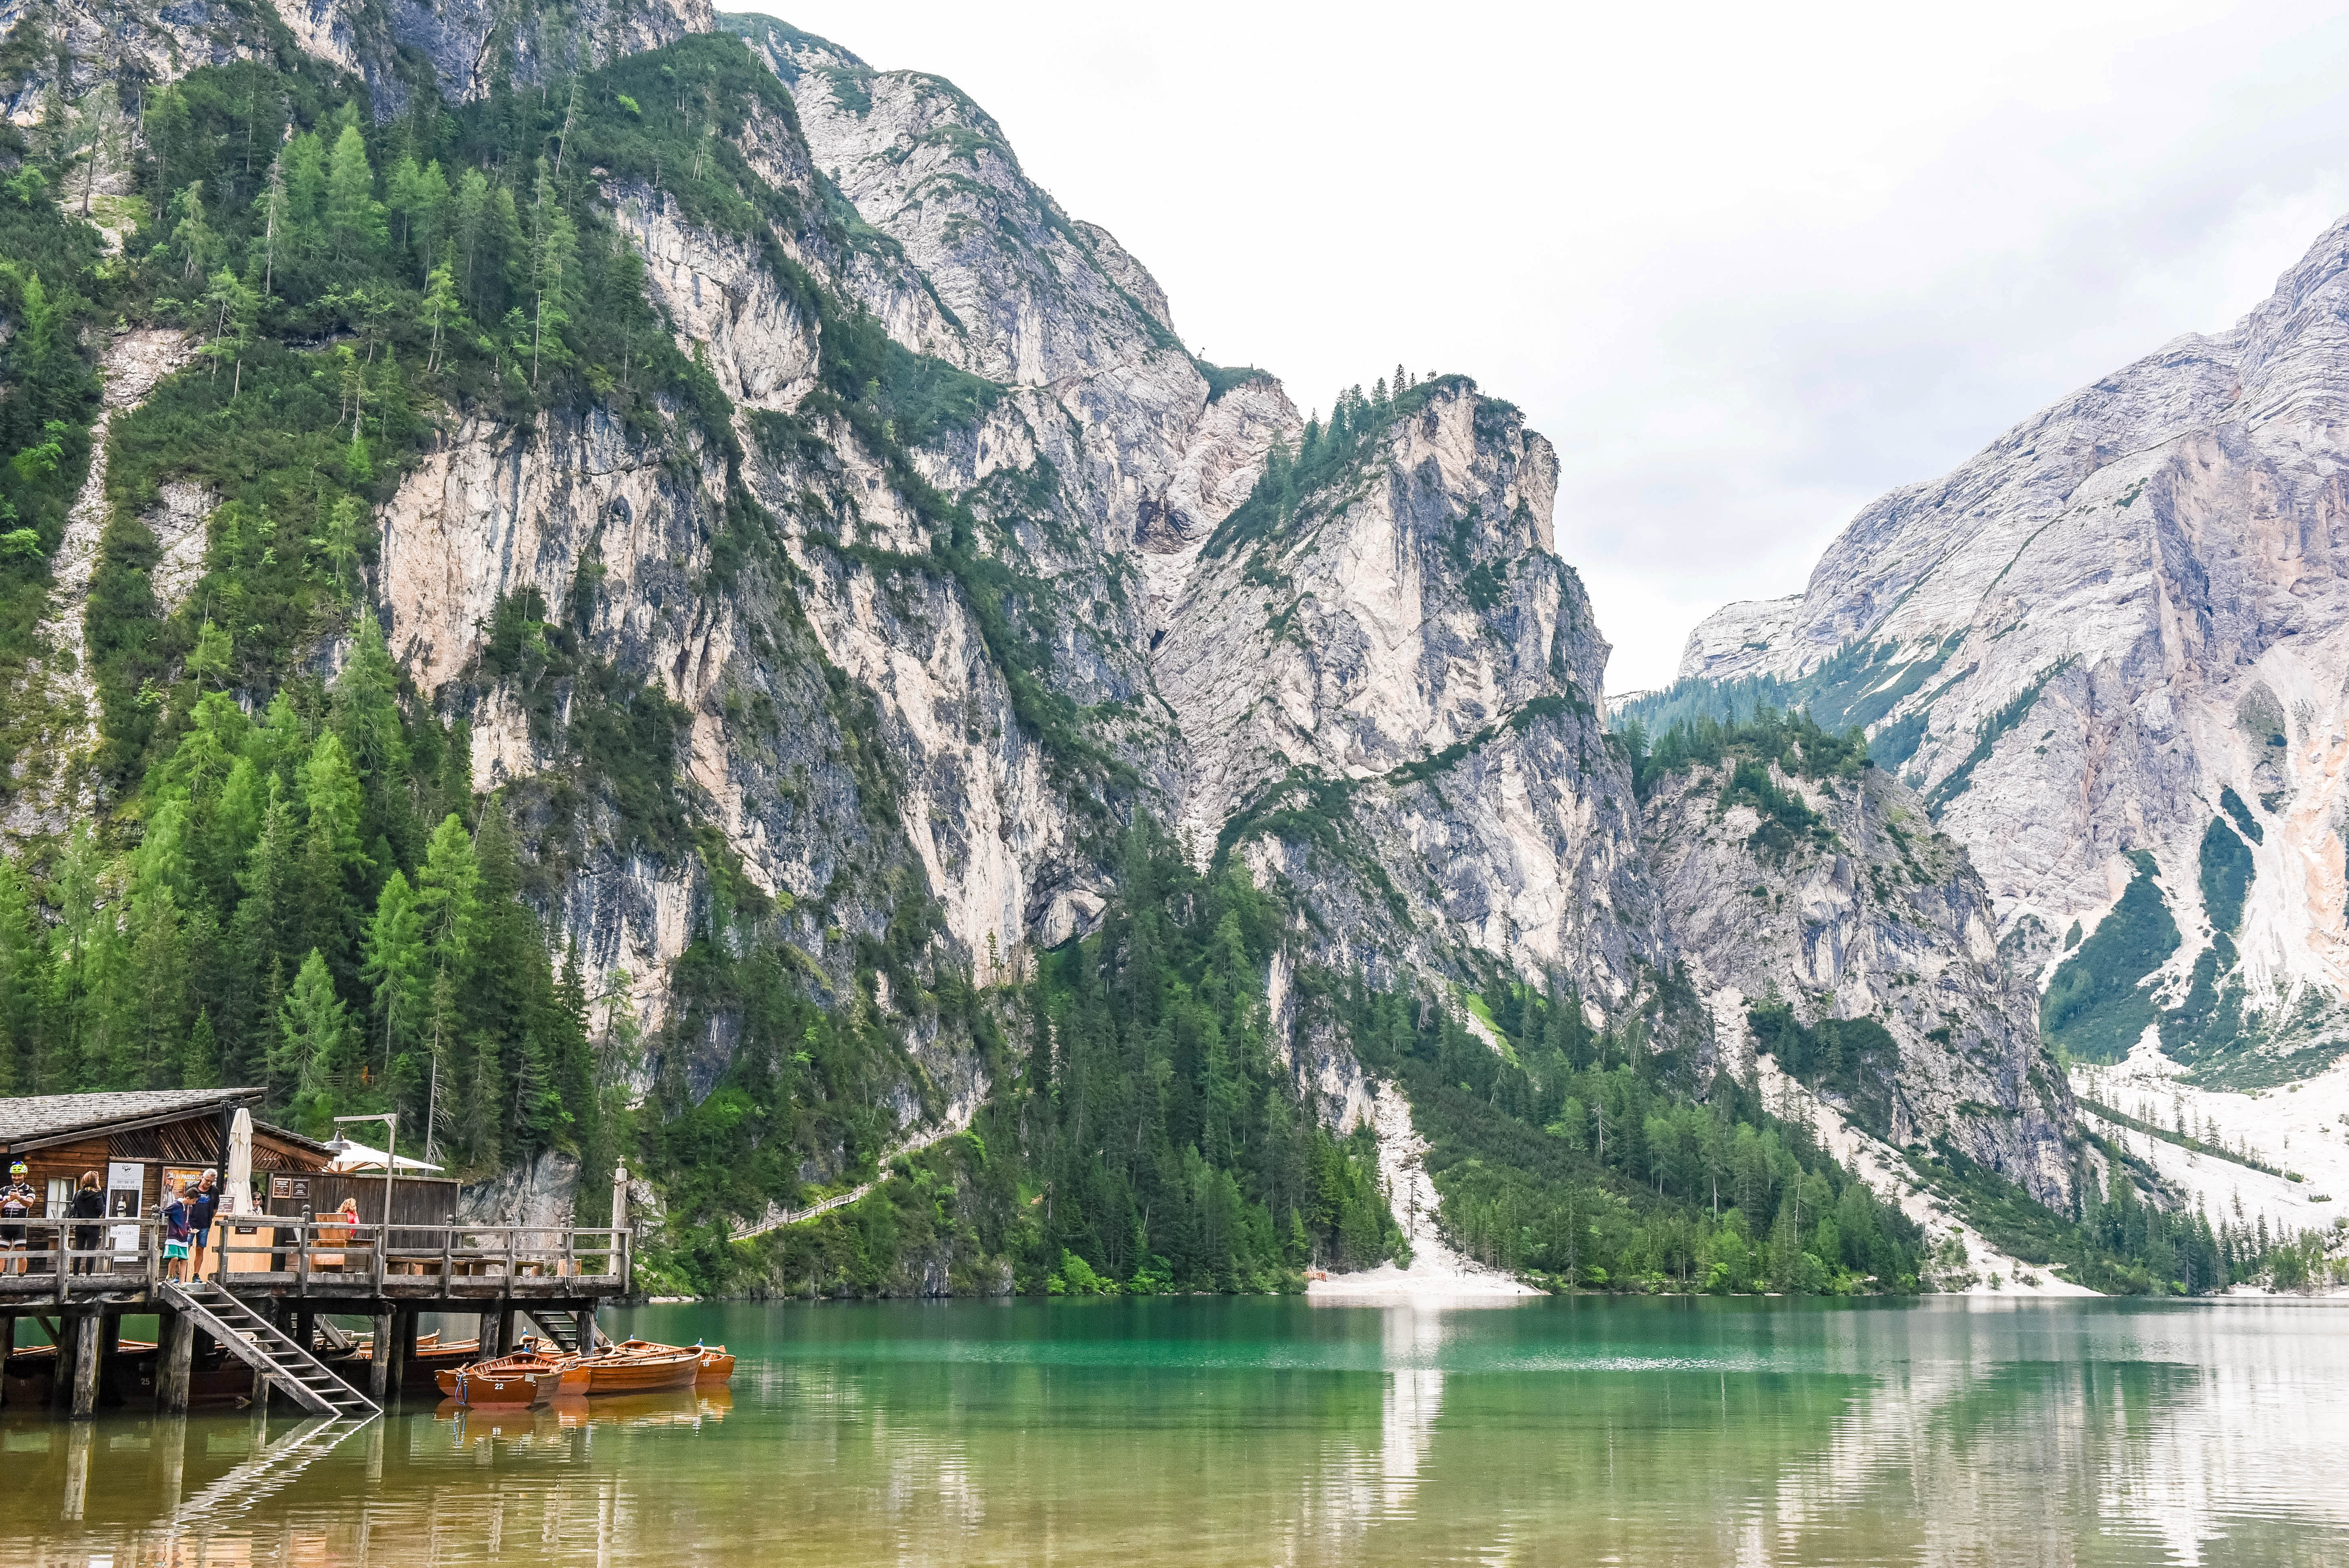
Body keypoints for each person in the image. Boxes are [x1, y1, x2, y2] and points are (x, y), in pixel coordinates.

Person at [0, 1162, 32, 1276]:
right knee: (1, 1252)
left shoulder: (29, 1189)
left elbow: (30, 1204)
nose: (17, 1178)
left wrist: (19, 1198)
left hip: (20, 1226)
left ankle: (21, 1277)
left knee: (21, 1252)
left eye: (19, 1175)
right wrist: (7, 1200)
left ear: (24, 1175)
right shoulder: (4, 1190)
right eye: (14, 1175)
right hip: (5, 1226)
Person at [68, 1172, 102, 1275]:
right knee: (90, 1252)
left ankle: (75, 1275)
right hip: (93, 1226)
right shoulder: (98, 1194)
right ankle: (88, 1275)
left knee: (79, 1251)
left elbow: (74, 1207)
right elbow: (100, 1209)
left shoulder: (79, 1193)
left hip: (80, 1225)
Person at [189, 1169, 219, 1280]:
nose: (209, 1184)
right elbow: (186, 1203)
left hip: (205, 1224)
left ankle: (196, 1274)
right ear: (202, 1177)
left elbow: (215, 1208)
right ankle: (180, 1273)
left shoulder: (214, 1191)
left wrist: (209, 1219)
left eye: (211, 1182)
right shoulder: (193, 1188)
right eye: (207, 1181)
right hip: (191, 1223)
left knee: (201, 1248)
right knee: (186, 1247)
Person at [163, 1181, 194, 1283]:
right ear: (188, 1198)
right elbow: (163, 1212)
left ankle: (182, 1283)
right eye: (194, 1201)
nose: (194, 1203)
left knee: (184, 1260)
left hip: (184, 1237)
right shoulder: (175, 1206)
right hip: (173, 1236)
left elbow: (187, 1221)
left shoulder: (190, 1208)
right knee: (175, 1258)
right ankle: (170, 1276)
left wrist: (189, 1228)